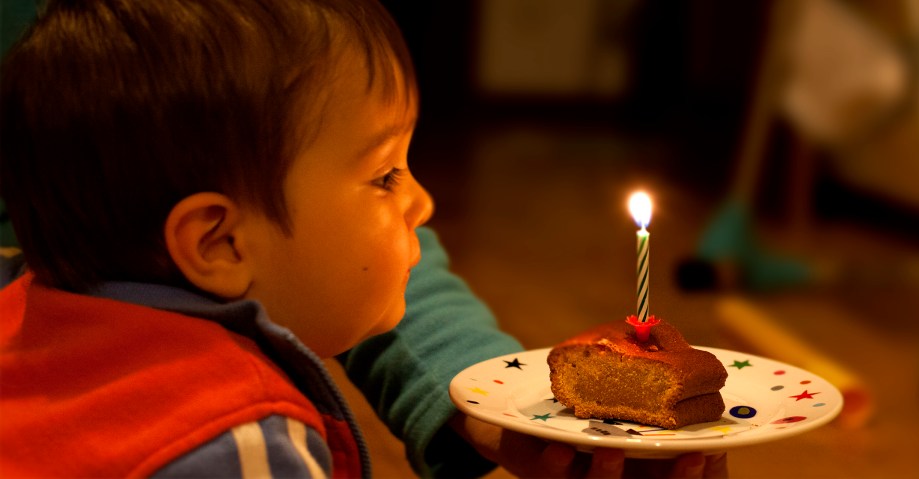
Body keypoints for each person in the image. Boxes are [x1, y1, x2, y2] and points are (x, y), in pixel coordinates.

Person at [0, 0, 726, 477]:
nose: (422, 203)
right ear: (219, 242)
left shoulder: (21, 312)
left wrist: (489, 396)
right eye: (385, 175)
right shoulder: (237, 445)